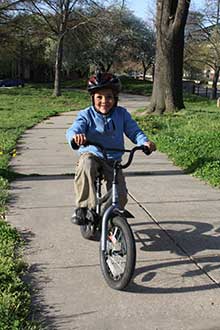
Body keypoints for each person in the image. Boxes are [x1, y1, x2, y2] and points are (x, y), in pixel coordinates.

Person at [66, 72, 156, 225]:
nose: (104, 101)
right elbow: (74, 129)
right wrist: (76, 137)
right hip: (92, 154)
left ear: (115, 98)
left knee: (120, 195)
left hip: (113, 159)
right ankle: (84, 208)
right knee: (86, 164)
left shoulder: (122, 114)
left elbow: (134, 131)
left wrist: (145, 142)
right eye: (99, 97)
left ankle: (106, 214)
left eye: (109, 97)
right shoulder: (86, 114)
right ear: (93, 98)